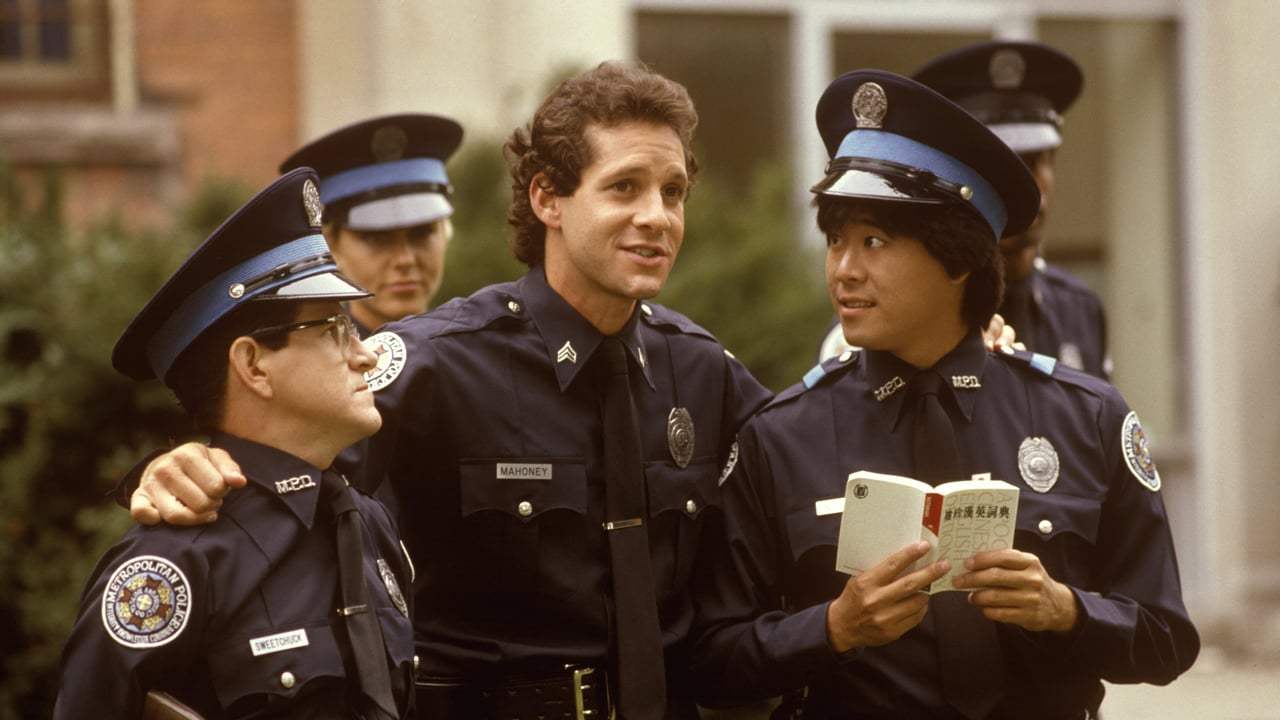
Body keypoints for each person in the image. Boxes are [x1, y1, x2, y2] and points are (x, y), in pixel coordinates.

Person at [119, 62, 798, 720]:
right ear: (547, 199)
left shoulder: (701, 370)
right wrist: (184, 467)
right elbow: (281, 471)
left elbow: (804, 466)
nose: (657, 216)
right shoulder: (437, 364)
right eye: (624, 188)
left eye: (673, 192)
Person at [692, 70, 1198, 719]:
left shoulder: (1087, 417)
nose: (844, 269)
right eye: (836, 240)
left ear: (958, 259)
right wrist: (832, 628)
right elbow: (710, 661)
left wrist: (1066, 610)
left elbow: (1166, 640)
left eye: (874, 241)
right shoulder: (781, 436)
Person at [54, 169, 416, 718]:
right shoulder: (171, 566)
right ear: (253, 365)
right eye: (333, 330)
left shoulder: (367, 523)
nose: (365, 354)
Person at [914, 41, 1111, 378]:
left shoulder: (1079, 310)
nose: (1022, 187)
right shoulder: (910, 320)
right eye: (999, 168)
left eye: (1032, 163)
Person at [281, 113, 464, 335]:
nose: (404, 260)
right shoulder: (309, 357)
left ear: (446, 233)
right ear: (330, 246)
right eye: (376, 238)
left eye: (421, 233)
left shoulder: (474, 350)